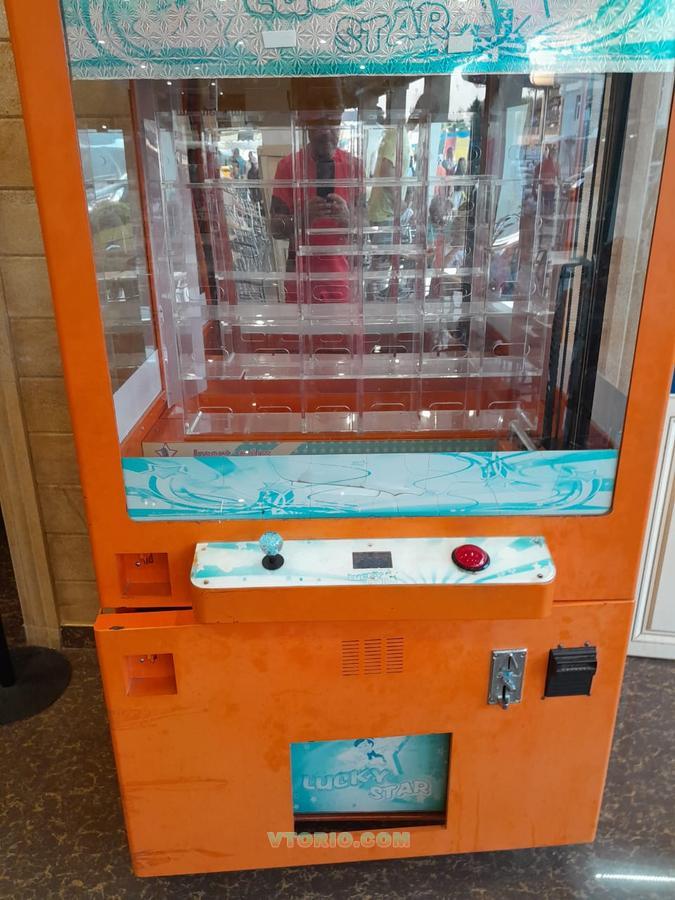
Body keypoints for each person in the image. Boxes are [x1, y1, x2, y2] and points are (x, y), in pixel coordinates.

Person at [270, 109, 363, 303]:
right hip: (300, 280)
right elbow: (275, 228)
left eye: (333, 122)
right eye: (318, 122)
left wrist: (348, 219)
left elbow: (365, 226)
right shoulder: (287, 166)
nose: (326, 130)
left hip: (342, 279)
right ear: (306, 126)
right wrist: (301, 218)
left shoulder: (354, 166)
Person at [534, 145, 560, 215]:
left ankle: (548, 213)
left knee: (549, 204)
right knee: (544, 204)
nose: (553, 156)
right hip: (543, 189)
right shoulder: (543, 163)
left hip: (551, 189)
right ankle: (545, 214)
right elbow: (536, 173)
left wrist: (557, 184)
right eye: (552, 154)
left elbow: (558, 178)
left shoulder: (556, 165)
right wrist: (536, 185)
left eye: (554, 154)